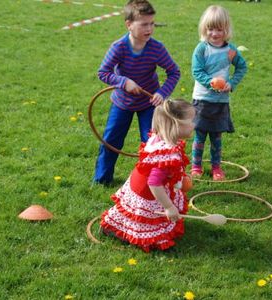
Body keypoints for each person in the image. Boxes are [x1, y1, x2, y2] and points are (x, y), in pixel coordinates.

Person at [93, 0, 180, 184]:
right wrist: (124, 82)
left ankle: (150, 183)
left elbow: (174, 72)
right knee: (111, 141)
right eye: (144, 24)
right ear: (129, 25)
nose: (149, 29)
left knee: (152, 143)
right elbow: (103, 72)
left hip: (149, 104)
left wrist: (162, 92)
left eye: (152, 24)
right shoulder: (119, 47)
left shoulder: (157, 48)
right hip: (122, 102)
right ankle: (102, 180)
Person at [100, 99, 195, 252]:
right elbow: (154, 183)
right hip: (147, 190)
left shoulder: (162, 137)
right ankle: (119, 231)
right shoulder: (166, 152)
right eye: (192, 120)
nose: (195, 125)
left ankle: (117, 227)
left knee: (135, 213)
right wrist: (169, 207)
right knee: (145, 222)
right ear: (176, 124)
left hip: (139, 182)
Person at [191, 5, 247, 181]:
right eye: (210, 29)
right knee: (199, 135)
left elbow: (242, 67)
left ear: (226, 29)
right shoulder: (202, 48)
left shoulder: (230, 51)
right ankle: (196, 166)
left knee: (216, 137)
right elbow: (196, 71)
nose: (214, 33)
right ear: (204, 29)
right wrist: (210, 82)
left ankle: (216, 167)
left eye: (219, 29)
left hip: (221, 101)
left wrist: (231, 84)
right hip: (202, 100)